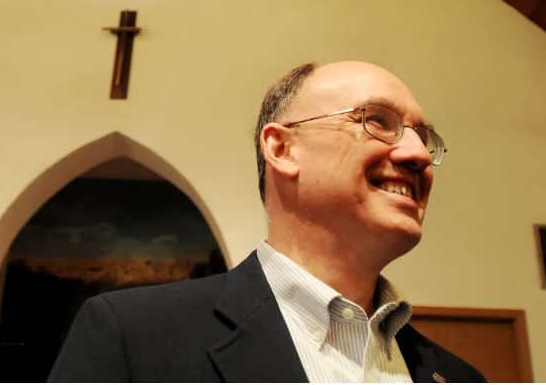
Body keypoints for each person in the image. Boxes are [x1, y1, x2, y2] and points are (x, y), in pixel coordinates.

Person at [48, 61, 485, 382]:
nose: (417, 154)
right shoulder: (132, 336)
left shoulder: (461, 378)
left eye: (423, 137)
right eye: (377, 121)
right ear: (282, 149)